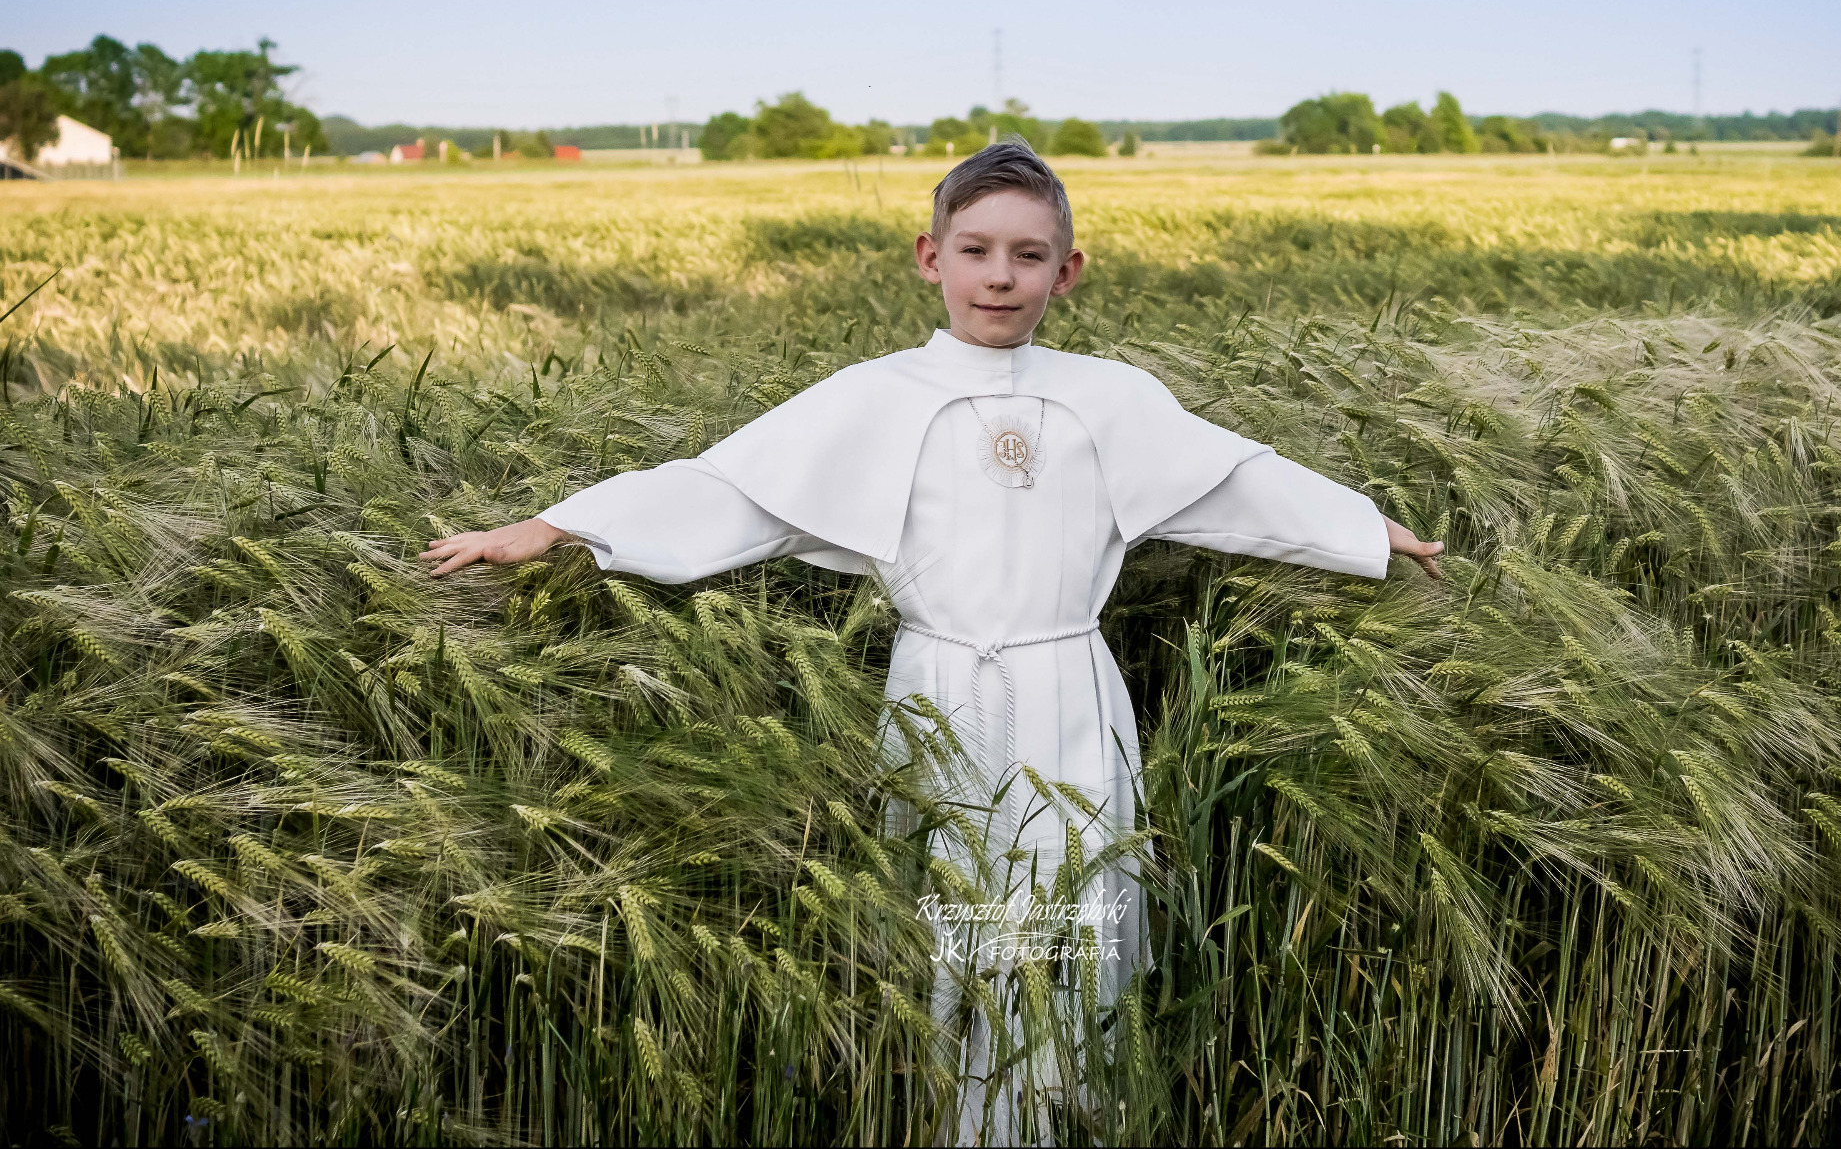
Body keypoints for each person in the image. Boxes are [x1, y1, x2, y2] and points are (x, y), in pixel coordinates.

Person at [419, 139, 1445, 1142]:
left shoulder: (1110, 398)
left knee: (1076, 924)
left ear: (1067, 271)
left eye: (1028, 255)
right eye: (976, 249)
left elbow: (1238, 481)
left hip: (1069, 694)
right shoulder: (870, 396)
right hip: (937, 694)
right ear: (929, 256)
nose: (1000, 276)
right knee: (947, 921)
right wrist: (559, 524)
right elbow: (729, 490)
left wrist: (1368, 529)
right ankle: (965, 1121)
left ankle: (1068, 1116)